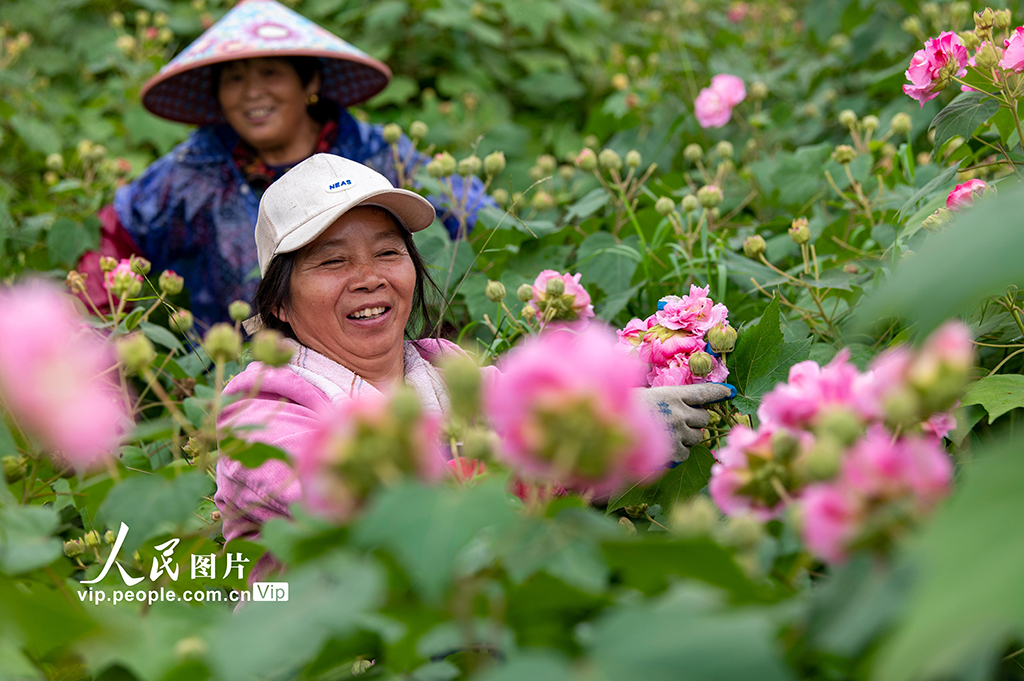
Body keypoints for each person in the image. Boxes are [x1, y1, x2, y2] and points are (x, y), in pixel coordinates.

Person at [213, 153, 734, 585]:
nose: (369, 278)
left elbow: (552, 462)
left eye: (388, 252)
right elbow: (379, 514)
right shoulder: (260, 412)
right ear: (278, 303)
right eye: (332, 262)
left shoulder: (449, 371)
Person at [78, 0, 489, 326]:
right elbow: (113, 245)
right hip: (231, 381)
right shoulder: (192, 171)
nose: (252, 93)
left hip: (379, 359)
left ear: (309, 82)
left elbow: (477, 221)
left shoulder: (377, 155)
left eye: (271, 73)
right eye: (235, 79)